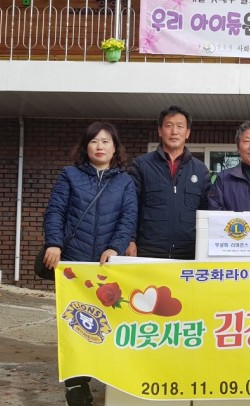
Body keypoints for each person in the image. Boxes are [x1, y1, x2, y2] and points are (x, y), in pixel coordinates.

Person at [42, 121, 138, 406]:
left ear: (115, 148)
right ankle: (76, 384)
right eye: (94, 141)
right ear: (86, 147)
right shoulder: (69, 175)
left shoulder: (124, 181)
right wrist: (54, 243)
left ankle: (106, 375)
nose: (100, 146)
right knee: (76, 323)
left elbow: (128, 218)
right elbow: (55, 211)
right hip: (74, 263)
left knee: (107, 323)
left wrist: (115, 247)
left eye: (106, 141)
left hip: (107, 266)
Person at [125, 106, 211, 259]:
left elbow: (206, 212)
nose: (174, 131)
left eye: (180, 126)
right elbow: (130, 207)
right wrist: (130, 240)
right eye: (169, 125)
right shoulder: (141, 165)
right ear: (160, 130)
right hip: (148, 252)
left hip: (189, 254)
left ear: (187, 133)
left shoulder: (200, 169)